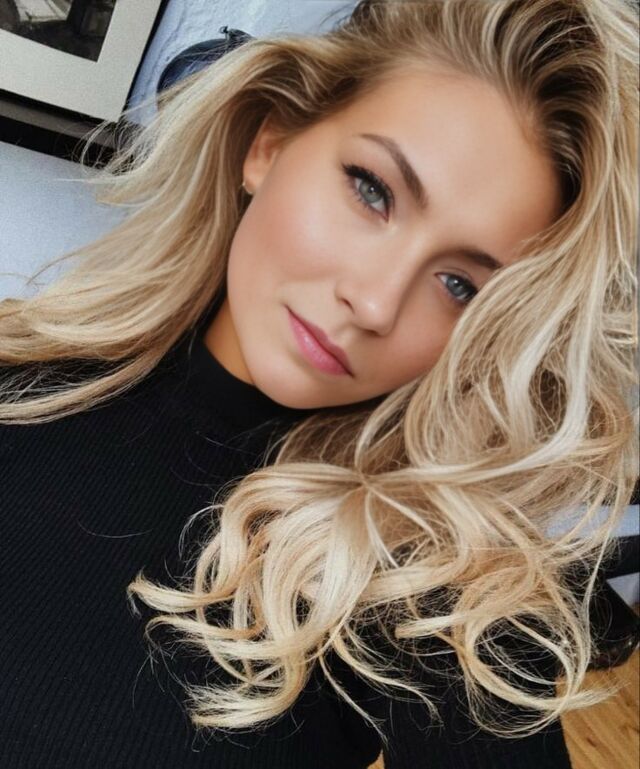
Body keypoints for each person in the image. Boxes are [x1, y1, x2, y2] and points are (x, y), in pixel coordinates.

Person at [0, 0, 637, 767]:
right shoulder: (22, 374)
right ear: (269, 142)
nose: (375, 303)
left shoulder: (410, 582)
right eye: (372, 191)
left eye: (460, 285)